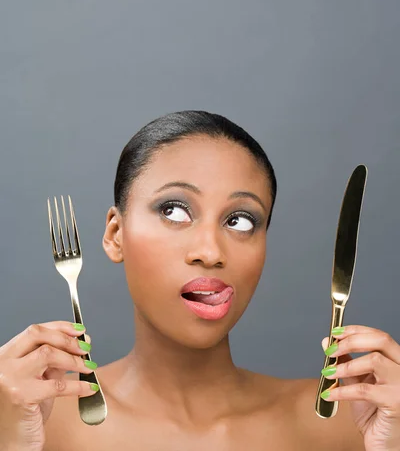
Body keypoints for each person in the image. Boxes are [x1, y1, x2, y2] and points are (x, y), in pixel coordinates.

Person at [1, 110, 399, 451]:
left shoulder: (348, 422)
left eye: (240, 220)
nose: (210, 251)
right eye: (174, 210)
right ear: (115, 234)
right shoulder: (33, 421)